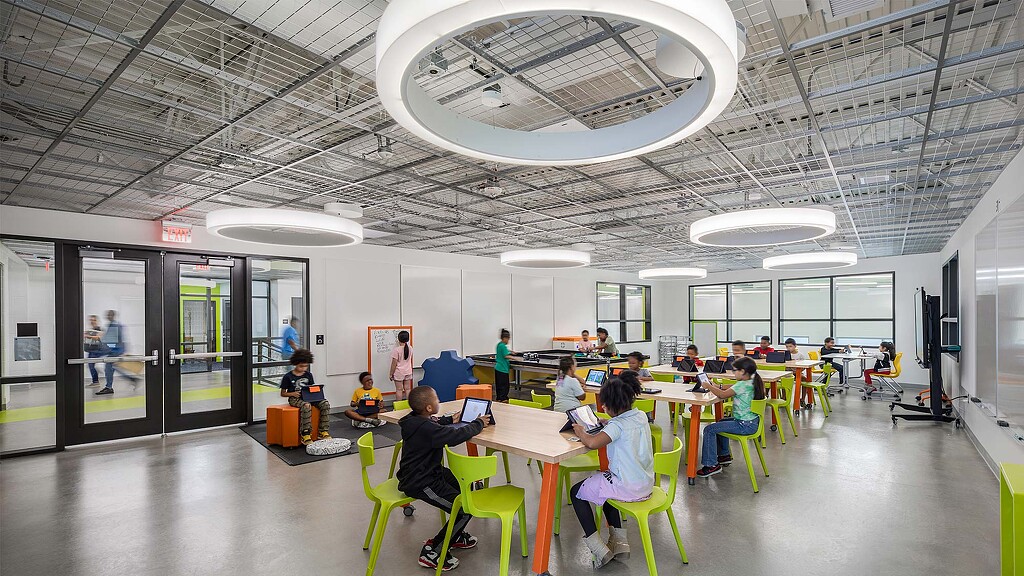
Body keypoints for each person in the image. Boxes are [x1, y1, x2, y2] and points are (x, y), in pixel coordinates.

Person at [397, 386, 491, 571]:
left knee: (462, 487)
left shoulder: (414, 420)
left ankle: (454, 534)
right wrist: (478, 423)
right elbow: (455, 436)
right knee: (465, 509)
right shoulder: (427, 429)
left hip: (428, 472)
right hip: (421, 482)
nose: (439, 401)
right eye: (437, 399)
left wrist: (449, 419)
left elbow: (433, 425)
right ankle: (433, 551)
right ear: (429, 408)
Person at [569, 376, 653, 568]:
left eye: (605, 404)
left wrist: (581, 432)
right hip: (645, 483)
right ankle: (619, 542)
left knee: (576, 492)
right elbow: (622, 426)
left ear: (613, 405)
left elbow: (591, 443)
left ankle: (598, 549)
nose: (603, 407)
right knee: (603, 488)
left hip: (628, 488)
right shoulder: (639, 416)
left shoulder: (617, 426)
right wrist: (608, 422)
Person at [696, 356, 765, 478]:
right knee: (721, 422)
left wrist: (709, 387)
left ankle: (711, 465)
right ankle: (724, 455)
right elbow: (729, 388)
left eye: (735, 370)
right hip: (752, 422)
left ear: (742, 372)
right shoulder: (751, 381)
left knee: (709, 429)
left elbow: (722, 395)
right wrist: (716, 385)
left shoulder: (742, 385)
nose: (733, 373)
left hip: (743, 425)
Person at [279, 348, 331, 445]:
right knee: (306, 406)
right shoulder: (288, 377)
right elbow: (283, 393)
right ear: (295, 364)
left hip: (309, 397)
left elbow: (311, 388)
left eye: (306, 366)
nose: (303, 368)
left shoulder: (308, 375)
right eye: (301, 366)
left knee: (325, 404)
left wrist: (317, 391)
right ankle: (305, 434)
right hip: (295, 398)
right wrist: (292, 394)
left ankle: (323, 431)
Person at [94, 310, 139, 395]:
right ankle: (132, 379)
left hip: (115, 351)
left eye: (109, 315)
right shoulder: (114, 325)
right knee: (112, 368)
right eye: (107, 315)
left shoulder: (114, 326)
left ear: (113, 316)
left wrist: (101, 342)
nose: (108, 316)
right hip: (116, 350)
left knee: (109, 367)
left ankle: (109, 387)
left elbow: (112, 341)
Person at [389, 330, 414, 403]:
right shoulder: (410, 348)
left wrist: (391, 374)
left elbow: (394, 363)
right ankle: (410, 405)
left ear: (398, 339)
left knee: (399, 390)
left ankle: (398, 407)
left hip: (399, 372)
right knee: (408, 389)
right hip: (408, 371)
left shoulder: (396, 350)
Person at [494, 329, 516, 403]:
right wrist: (515, 358)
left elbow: (504, 351)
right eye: (508, 339)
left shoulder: (499, 345)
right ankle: (503, 399)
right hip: (503, 369)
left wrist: (511, 351)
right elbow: (506, 355)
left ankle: (499, 398)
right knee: (504, 386)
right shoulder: (503, 346)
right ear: (505, 338)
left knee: (499, 385)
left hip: (498, 368)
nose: (508, 341)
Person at [83, 314, 104, 387]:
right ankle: (95, 381)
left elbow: (98, 337)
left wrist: (88, 336)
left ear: (97, 321)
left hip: (97, 350)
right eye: (91, 320)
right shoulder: (90, 330)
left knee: (91, 365)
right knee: (91, 365)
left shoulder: (99, 329)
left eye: (94, 320)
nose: (92, 322)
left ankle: (95, 381)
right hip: (91, 350)